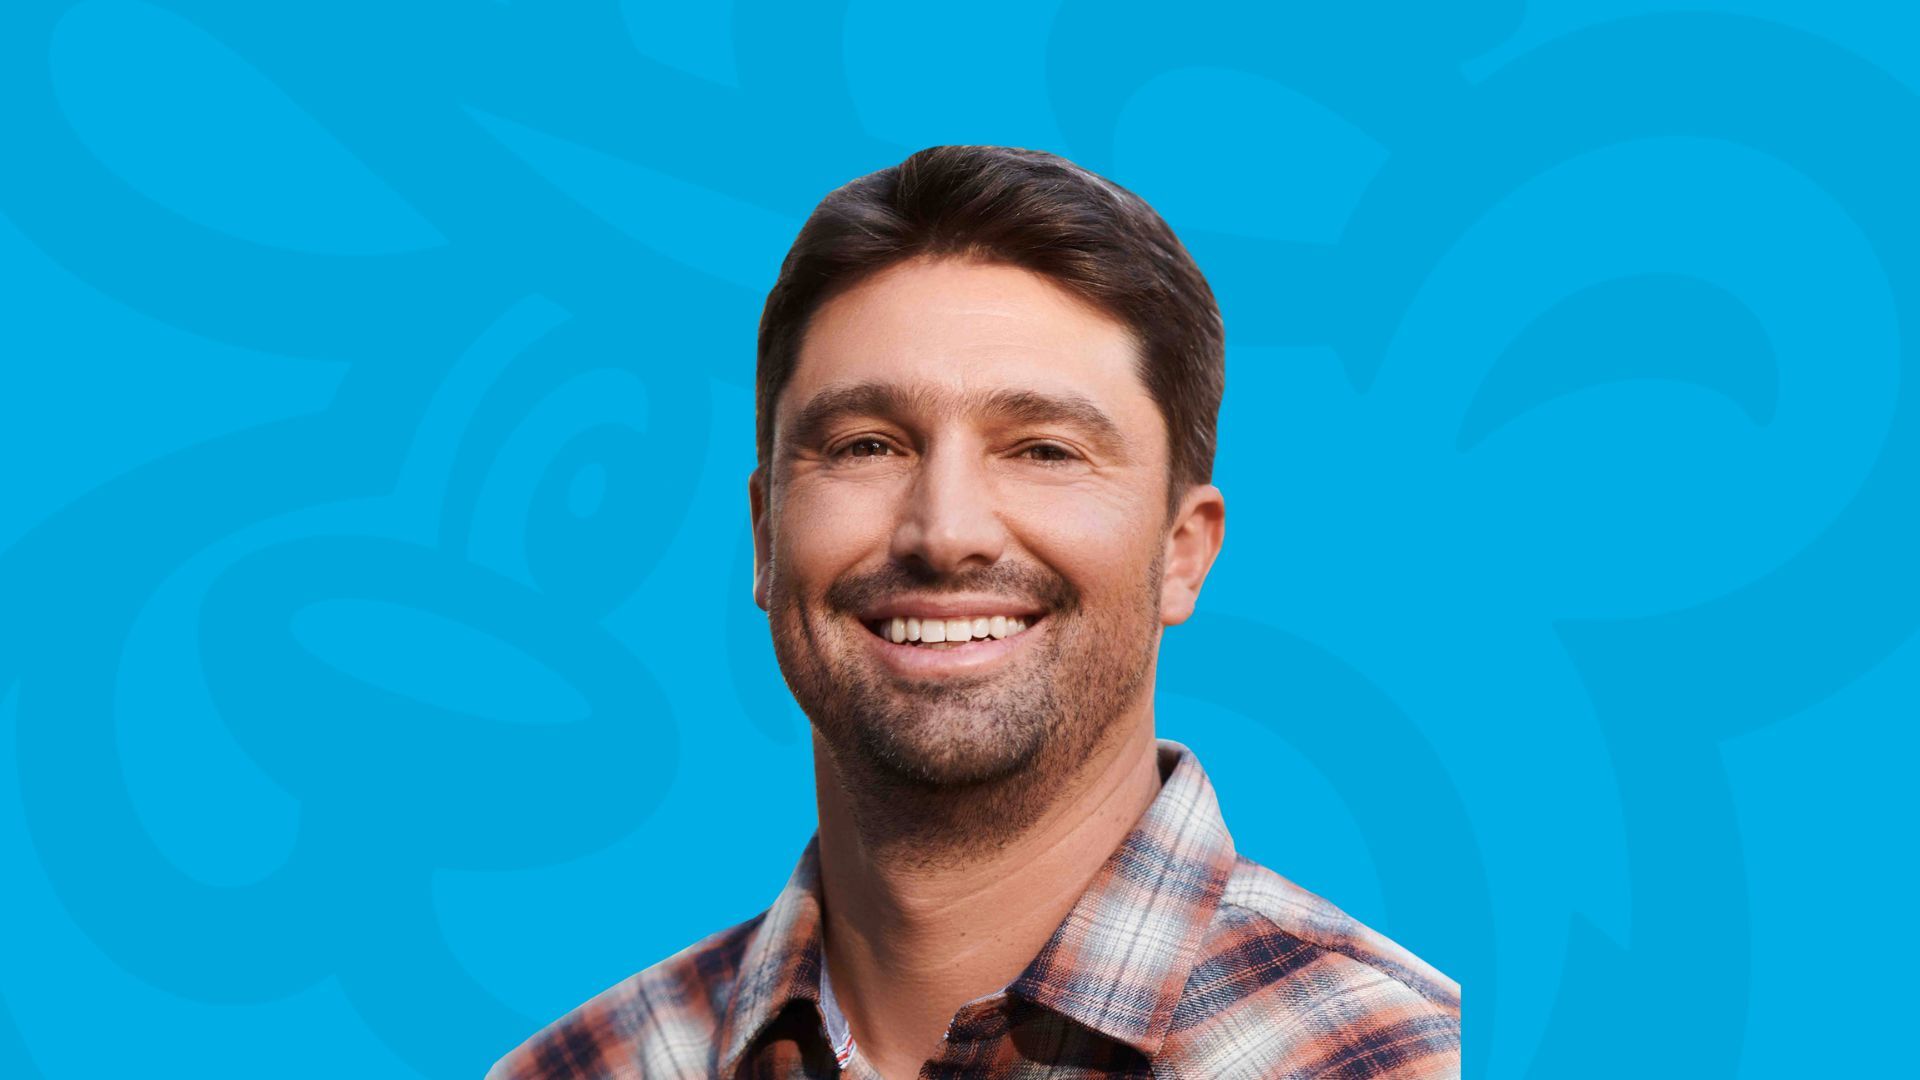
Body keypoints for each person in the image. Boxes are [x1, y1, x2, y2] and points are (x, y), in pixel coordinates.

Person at [487, 145, 1460, 1079]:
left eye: (1043, 450)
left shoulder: (1404, 1059)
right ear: (765, 536)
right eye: (866, 445)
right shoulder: (576, 1070)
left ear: (1183, 551)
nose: (945, 531)